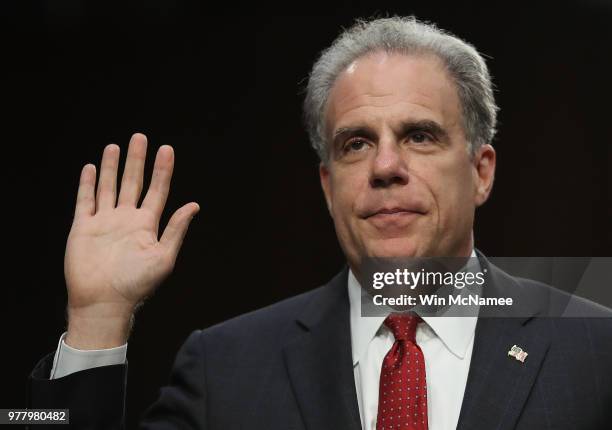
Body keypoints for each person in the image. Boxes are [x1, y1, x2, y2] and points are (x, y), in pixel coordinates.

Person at [28, 16, 612, 429]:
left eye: (418, 136)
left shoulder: (594, 348)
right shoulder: (225, 366)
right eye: (357, 143)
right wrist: (96, 323)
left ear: (481, 172)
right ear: (329, 187)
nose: (386, 166)